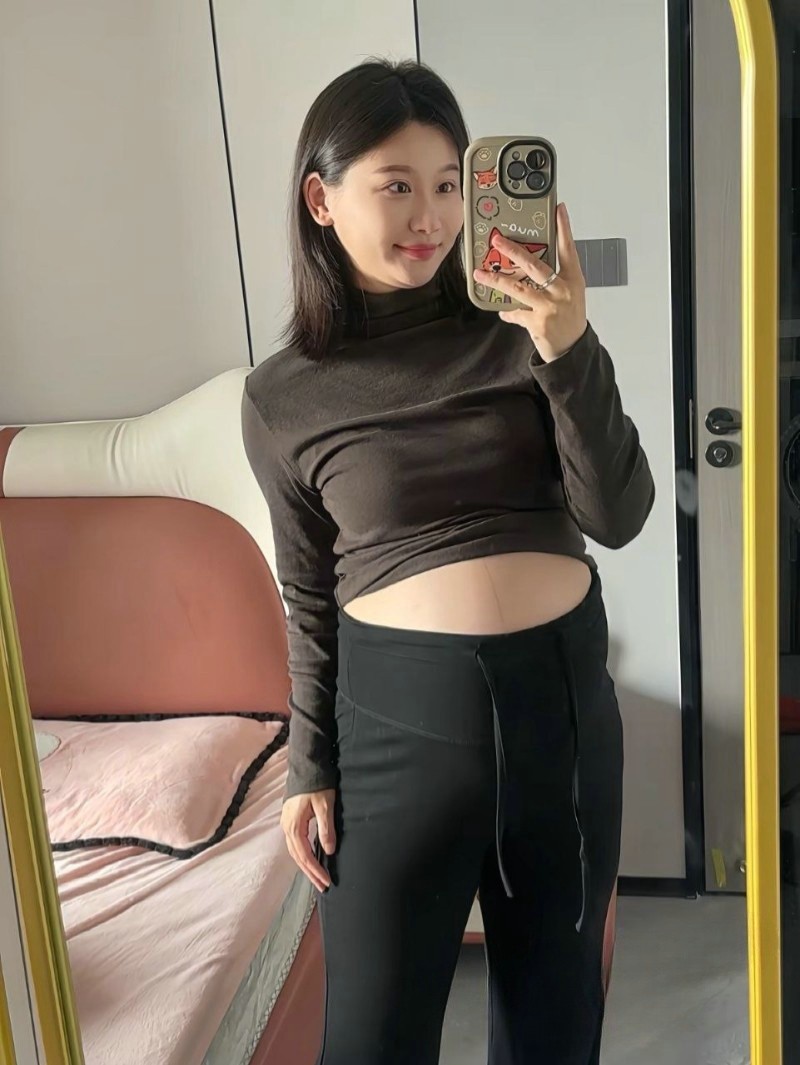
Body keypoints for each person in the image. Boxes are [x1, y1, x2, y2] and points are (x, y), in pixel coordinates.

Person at [242, 56, 654, 1065]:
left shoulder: (525, 331)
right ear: (321, 200)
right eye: (395, 186)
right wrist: (308, 765)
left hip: (562, 721)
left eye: (443, 184)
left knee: (555, 1031)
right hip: (394, 737)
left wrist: (568, 345)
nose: (428, 218)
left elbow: (619, 513)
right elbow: (308, 590)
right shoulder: (284, 395)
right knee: (371, 1040)